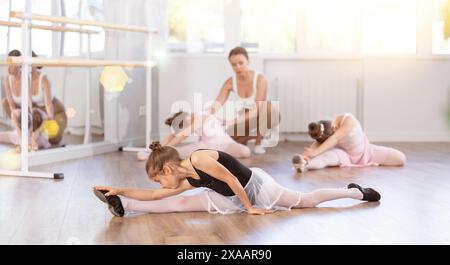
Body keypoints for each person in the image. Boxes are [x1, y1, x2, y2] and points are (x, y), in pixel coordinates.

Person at [94, 141, 380, 217]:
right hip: (230, 197)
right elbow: (156, 196)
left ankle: (353, 192)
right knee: (179, 202)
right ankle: (124, 205)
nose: (159, 185)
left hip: (256, 187)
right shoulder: (184, 178)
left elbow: (232, 179)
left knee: (306, 203)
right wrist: (118, 189)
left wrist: (251, 206)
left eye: (157, 179)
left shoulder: (199, 159)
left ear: (167, 169)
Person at [207, 47, 280, 154]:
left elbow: (256, 110)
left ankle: (259, 142)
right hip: (245, 117)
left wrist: (230, 121)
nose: (238, 67)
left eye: (241, 63)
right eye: (234, 64)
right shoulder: (230, 82)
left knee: (267, 107)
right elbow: (217, 103)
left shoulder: (260, 79)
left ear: (248, 61)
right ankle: (251, 137)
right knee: (229, 137)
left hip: (267, 116)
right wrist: (205, 114)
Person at [292, 113, 406, 173]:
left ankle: (306, 164)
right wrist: (306, 157)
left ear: (334, 125)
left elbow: (335, 138)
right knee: (326, 158)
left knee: (400, 159)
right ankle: (304, 166)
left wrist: (316, 152)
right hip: (345, 155)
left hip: (368, 152)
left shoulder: (348, 120)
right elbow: (316, 146)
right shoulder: (328, 136)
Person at [2, 50, 67, 147]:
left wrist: (47, 122)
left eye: (31, 64)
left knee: (53, 138)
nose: (28, 68)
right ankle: (23, 135)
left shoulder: (43, 79)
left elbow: (49, 105)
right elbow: (23, 106)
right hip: (37, 112)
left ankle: (36, 136)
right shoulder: (24, 77)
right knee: (31, 133)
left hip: (54, 111)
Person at [137, 111, 250, 160]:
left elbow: (183, 134)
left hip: (226, 144)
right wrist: (161, 147)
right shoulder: (191, 121)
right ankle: (153, 153)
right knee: (177, 152)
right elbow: (177, 135)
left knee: (245, 151)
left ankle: (160, 151)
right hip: (206, 146)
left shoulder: (200, 116)